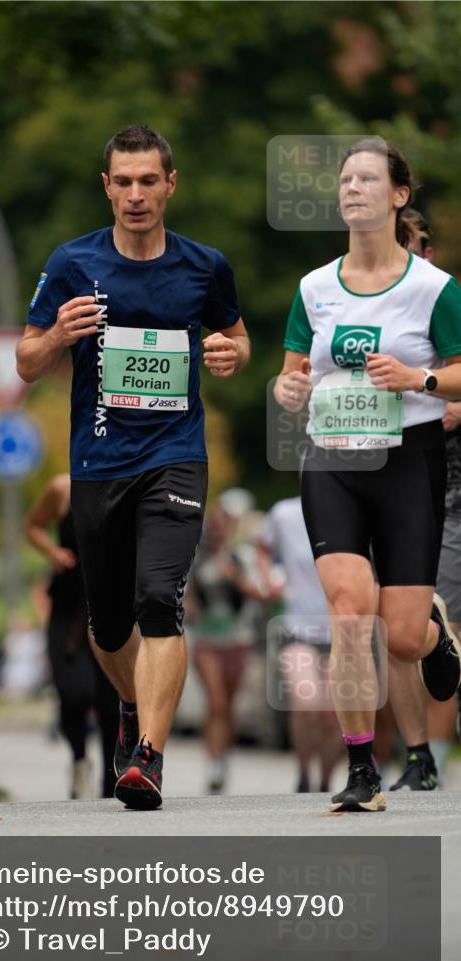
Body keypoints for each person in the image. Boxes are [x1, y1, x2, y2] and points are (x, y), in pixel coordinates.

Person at [17, 124, 249, 809]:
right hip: (98, 461)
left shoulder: (203, 265)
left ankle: (146, 753)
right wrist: (57, 334)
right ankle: (129, 706)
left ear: (170, 184)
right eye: (122, 181)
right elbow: (25, 362)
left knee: (158, 598)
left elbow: (233, 337)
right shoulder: (72, 262)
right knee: (108, 625)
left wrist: (230, 354)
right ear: (106, 186)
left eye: (149, 180)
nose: (136, 194)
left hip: (175, 455)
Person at [274, 137, 461, 812]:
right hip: (331, 459)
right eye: (345, 180)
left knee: (402, 636)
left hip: (407, 459)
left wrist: (421, 378)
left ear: (398, 196)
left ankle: (437, 636)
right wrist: (286, 392)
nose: (351, 189)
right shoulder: (313, 288)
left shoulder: (433, 289)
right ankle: (360, 771)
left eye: (367, 179)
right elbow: (290, 374)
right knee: (349, 614)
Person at [383, 209, 461, 789]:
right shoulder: (365, 321)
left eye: (418, 248)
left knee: (435, 623)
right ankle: (422, 753)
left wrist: (430, 391)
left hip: (447, 483)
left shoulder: (446, 305)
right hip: (405, 487)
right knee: (410, 626)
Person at [25, 473, 119, 799]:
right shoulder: (61, 488)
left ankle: (112, 779)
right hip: (67, 610)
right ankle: (79, 760)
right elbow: (32, 526)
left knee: (111, 702)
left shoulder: (130, 481)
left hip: (111, 607)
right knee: (73, 692)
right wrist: (52, 552)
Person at [258, 496, 345, 793]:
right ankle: (304, 772)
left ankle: (325, 780)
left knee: (334, 713)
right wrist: (269, 578)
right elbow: (262, 546)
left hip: (340, 631)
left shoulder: (348, 507)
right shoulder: (283, 513)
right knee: (307, 702)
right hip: (298, 626)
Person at [187, 499, 269, 794]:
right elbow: (186, 594)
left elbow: (261, 593)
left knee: (228, 708)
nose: (220, 531)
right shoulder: (197, 557)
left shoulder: (241, 556)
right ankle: (213, 762)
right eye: (216, 525)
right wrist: (191, 608)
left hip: (238, 639)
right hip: (207, 640)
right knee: (217, 703)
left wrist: (233, 575)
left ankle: (225, 757)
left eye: (225, 525)